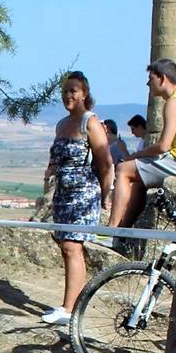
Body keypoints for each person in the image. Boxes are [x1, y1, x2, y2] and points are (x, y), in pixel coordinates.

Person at [41, 72, 113, 326]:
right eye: (64, 92)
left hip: (83, 193)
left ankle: (69, 309)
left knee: (73, 247)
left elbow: (105, 162)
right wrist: (49, 171)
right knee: (67, 248)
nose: (68, 96)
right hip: (63, 192)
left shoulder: (89, 122)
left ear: (84, 93)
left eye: (73, 91)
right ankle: (73, 304)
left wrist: (106, 196)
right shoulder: (61, 125)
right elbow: (55, 156)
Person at [109, 59, 176, 228]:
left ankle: (110, 230)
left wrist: (136, 155)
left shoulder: (174, 103)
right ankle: (122, 231)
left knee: (123, 169)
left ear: (162, 78)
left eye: (151, 79)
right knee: (138, 181)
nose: (148, 83)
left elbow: (164, 145)